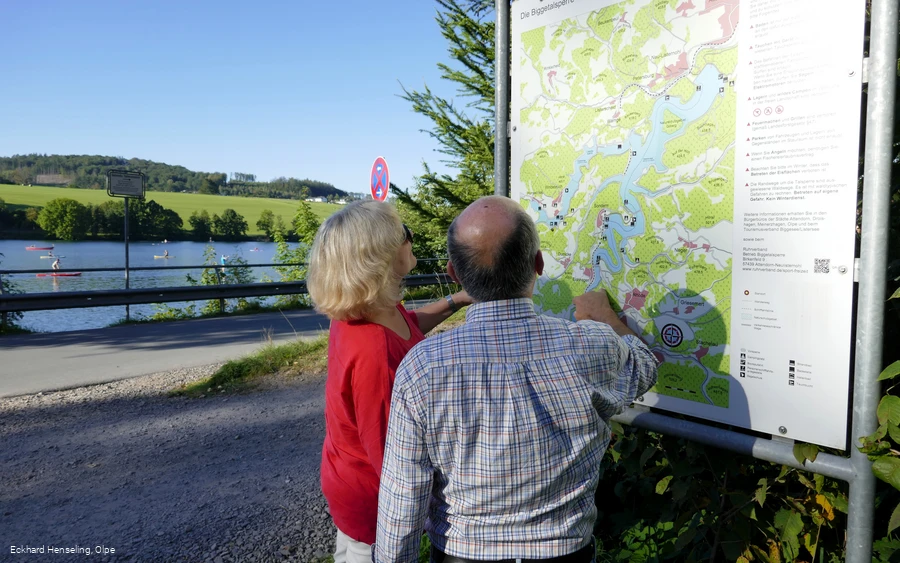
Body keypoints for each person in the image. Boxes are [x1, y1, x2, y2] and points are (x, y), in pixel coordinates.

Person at [375, 196, 659, 562]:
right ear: (538, 264)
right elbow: (645, 365)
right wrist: (605, 318)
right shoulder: (594, 346)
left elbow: (404, 496)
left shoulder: (423, 368)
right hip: (567, 553)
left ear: (454, 274)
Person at [307, 200, 472, 563]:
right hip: (371, 500)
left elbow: (408, 327)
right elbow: (392, 456)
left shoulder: (368, 307)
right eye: (403, 234)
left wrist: (456, 300)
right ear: (379, 254)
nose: (410, 238)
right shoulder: (373, 354)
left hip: (346, 475)